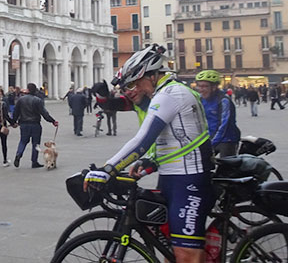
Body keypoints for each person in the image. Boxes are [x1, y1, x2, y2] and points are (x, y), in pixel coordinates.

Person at [84, 44, 213, 263]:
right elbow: (170, 141)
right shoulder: (159, 95)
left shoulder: (171, 94)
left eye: (134, 83)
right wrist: (150, 162)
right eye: (127, 86)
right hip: (171, 176)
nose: (131, 90)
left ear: (152, 76)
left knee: (186, 255)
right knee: (169, 246)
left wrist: (108, 169)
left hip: (189, 178)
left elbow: (143, 140)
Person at [11, 83, 58, 168]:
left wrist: (13, 122)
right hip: (35, 124)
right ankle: (34, 161)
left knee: (23, 141)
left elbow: (16, 112)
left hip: (24, 124)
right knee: (35, 143)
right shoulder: (38, 100)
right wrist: (52, 121)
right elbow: (44, 113)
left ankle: (19, 154)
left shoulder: (21, 100)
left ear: (28, 90)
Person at [195, 70, 240, 156]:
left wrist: (211, 143)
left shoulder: (223, 100)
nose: (201, 90)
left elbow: (223, 125)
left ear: (214, 87)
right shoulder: (200, 99)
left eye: (205, 86)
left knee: (226, 166)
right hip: (209, 138)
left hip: (227, 139)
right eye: (199, 86)